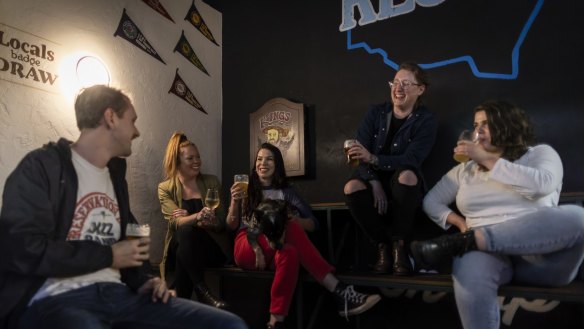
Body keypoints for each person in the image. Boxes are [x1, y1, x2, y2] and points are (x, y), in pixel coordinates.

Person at [0, 85, 247, 329]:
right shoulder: (42, 168)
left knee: (229, 323)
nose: (137, 131)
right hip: (58, 298)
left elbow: (132, 236)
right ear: (110, 118)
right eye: (132, 120)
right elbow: (22, 249)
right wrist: (108, 256)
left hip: (120, 296)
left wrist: (146, 280)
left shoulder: (115, 176)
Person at [410, 100, 584, 329]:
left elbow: (541, 185)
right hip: (487, 255)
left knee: (579, 217)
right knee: (471, 262)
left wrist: (485, 158)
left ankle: (465, 242)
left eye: (486, 124)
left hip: (542, 258)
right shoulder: (464, 170)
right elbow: (431, 201)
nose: (478, 130)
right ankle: (467, 241)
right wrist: (460, 224)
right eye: (475, 125)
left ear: (506, 125)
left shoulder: (540, 154)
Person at [226, 143, 381, 329]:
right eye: (259, 159)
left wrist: (293, 220)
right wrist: (235, 203)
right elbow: (231, 225)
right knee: (290, 229)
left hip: (276, 245)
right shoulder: (245, 189)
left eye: (269, 159)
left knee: (290, 252)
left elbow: (313, 223)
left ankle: (275, 323)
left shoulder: (287, 193)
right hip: (248, 246)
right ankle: (338, 290)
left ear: (277, 165)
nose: (263, 163)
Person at [343, 62, 437, 275]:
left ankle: (399, 247)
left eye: (405, 83)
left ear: (420, 89)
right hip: (372, 179)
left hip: (402, 183)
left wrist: (375, 159)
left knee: (407, 176)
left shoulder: (426, 120)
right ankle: (382, 246)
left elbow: (411, 159)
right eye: (395, 82)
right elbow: (359, 153)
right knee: (351, 187)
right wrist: (374, 181)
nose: (398, 88)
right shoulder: (375, 113)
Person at [158, 132, 233, 308]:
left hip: (211, 248)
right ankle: (202, 292)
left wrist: (209, 222)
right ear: (177, 162)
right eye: (190, 158)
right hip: (184, 247)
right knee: (184, 233)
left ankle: (185, 302)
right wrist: (198, 217)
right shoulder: (165, 188)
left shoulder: (211, 182)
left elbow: (221, 221)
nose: (197, 161)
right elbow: (175, 222)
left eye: (198, 157)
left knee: (184, 241)